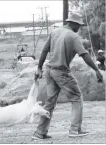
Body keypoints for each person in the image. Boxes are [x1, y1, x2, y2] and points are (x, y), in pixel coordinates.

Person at [32, 12, 103, 140]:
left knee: (50, 102)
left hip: (49, 70)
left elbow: (44, 51)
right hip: (62, 72)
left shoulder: (54, 32)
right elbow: (84, 55)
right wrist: (96, 70)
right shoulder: (73, 36)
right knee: (76, 97)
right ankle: (75, 130)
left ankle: (39, 132)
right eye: (79, 26)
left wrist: (39, 68)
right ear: (73, 24)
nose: (79, 28)